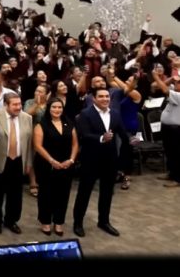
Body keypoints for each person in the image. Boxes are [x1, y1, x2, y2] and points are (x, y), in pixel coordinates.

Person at [72, 87, 129, 237]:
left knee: (107, 192)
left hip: (110, 160)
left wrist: (132, 139)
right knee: (84, 192)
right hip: (90, 159)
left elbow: (122, 132)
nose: (105, 99)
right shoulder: (85, 114)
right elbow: (83, 135)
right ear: (94, 99)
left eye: (107, 96)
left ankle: (104, 221)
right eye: (101, 96)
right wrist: (101, 138)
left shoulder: (115, 114)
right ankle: (78, 223)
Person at [0, 92, 33, 235]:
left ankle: (11, 220)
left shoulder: (27, 118)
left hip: (18, 160)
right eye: (15, 105)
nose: (18, 107)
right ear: (6, 105)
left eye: (20, 104)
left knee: (16, 194)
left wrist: (28, 163)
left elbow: (29, 143)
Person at [33, 97, 79, 236]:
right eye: (54, 107)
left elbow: (75, 144)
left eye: (59, 107)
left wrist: (71, 160)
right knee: (46, 194)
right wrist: (52, 161)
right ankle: (45, 222)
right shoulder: (41, 125)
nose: (57, 110)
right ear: (49, 108)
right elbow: (37, 146)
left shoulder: (68, 123)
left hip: (66, 166)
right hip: (46, 166)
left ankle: (59, 222)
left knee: (63, 194)